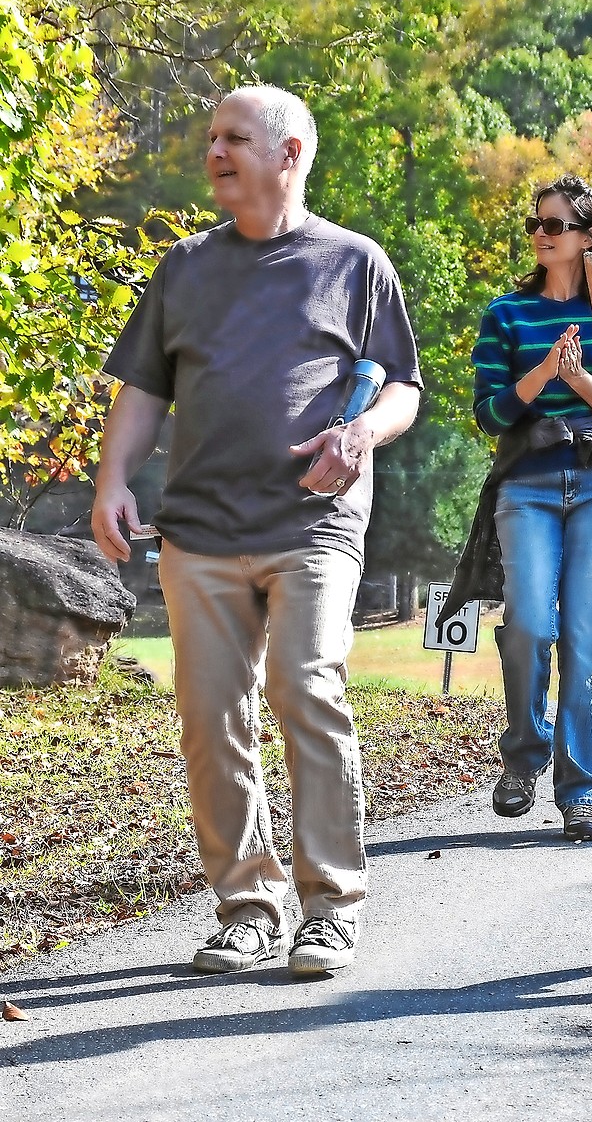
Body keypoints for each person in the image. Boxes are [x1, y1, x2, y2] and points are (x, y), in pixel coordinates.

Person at [91, 85, 422, 976]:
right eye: (209, 138)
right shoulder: (186, 269)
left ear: (292, 152)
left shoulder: (355, 264)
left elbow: (403, 387)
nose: (215, 152)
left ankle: (331, 905)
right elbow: (144, 390)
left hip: (313, 521)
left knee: (305, 685)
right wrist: (113, 478)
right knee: (209, 717)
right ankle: (247, 901)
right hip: (199, 529)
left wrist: (361, 434)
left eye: (236, 137)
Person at [441, 174, 592, 842]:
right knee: (529, 624)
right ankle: (523, 757)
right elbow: (490, 412)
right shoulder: (506, 314)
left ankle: (583, 794)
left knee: (587, 645)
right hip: (526, 482)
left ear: (588, 237)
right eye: (536, 223)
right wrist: (544, 375)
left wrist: (579, 377)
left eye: (555, 225)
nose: (540, 233)